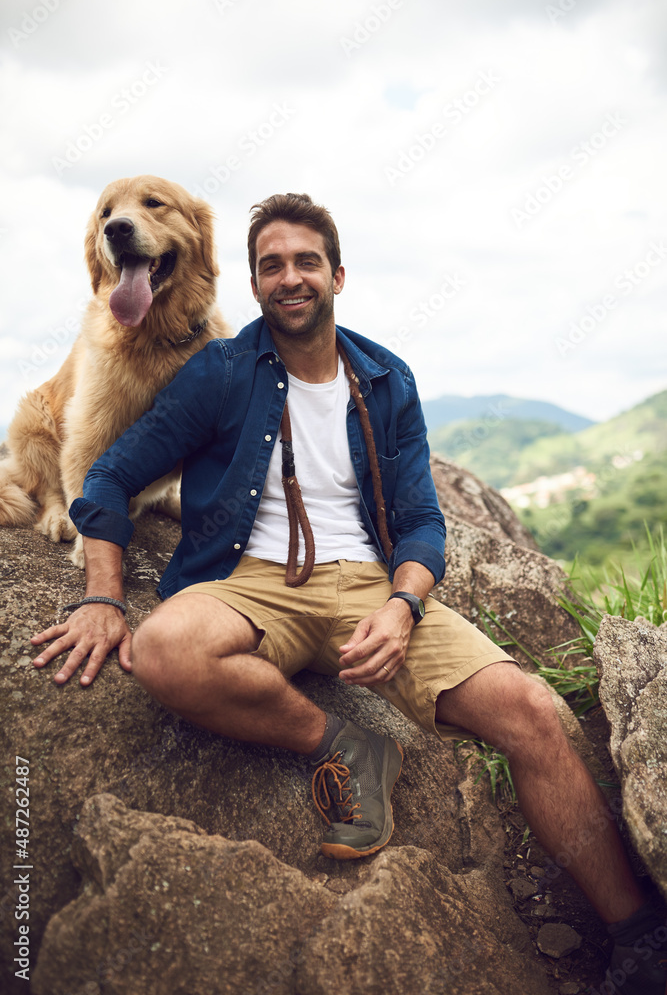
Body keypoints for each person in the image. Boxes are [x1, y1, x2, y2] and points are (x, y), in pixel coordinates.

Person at [31, 193, 665, 993]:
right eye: (271, 265)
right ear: (255, 283)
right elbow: (112, 475)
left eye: (304, 262)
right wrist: (101, 597)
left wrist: (402, 607)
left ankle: (637, 936)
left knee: (533, 713)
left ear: (335, 273)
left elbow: (422, 522)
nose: (288, 278)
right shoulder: (219, 371)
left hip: (370, 586)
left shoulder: (385, 378)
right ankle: (339, 745)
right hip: (248, 583)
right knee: (163, 651)